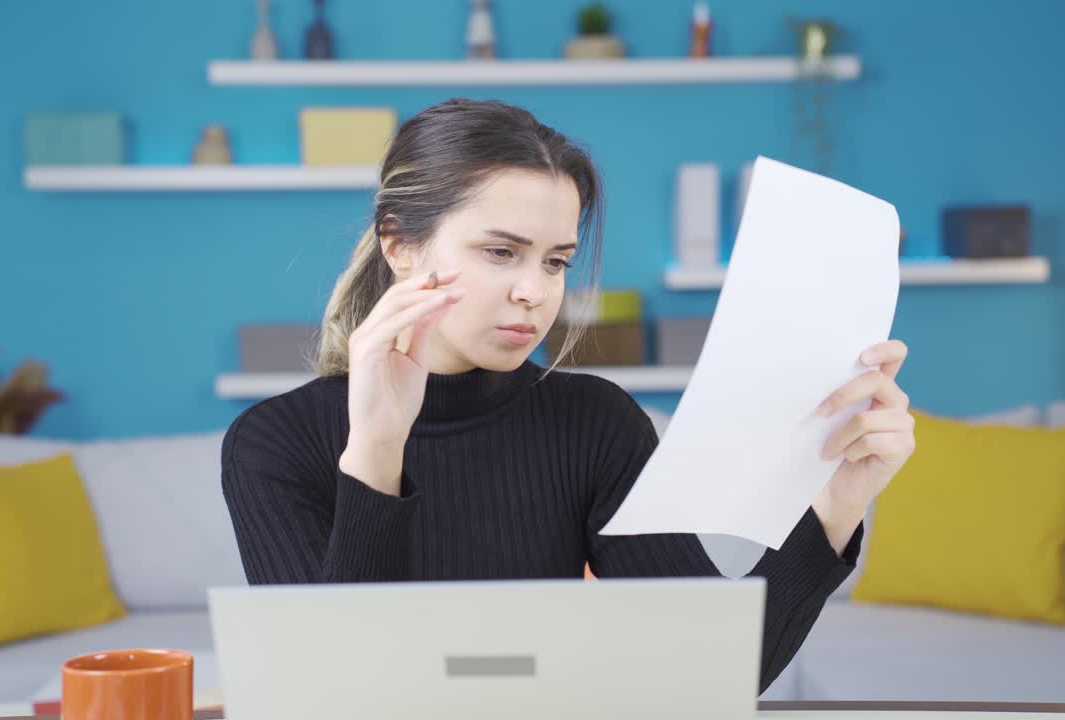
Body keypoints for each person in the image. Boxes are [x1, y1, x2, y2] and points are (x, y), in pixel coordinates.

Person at [221, 98, 916, 695]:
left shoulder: (594, 424)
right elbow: (331, 695)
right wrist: (375, 450)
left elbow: (711, 674)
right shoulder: (273, 445)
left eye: (556, 261)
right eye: (501, 252)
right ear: (400, 246)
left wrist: (839, 501)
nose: (537, 291)